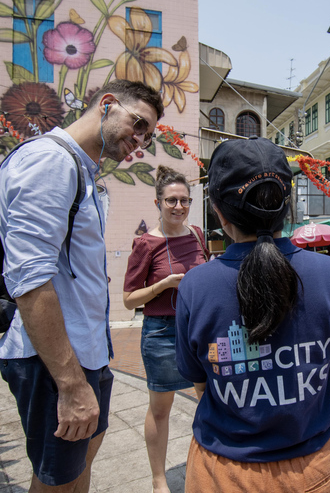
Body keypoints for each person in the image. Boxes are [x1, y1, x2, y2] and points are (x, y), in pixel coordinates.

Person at [0, 80, 163, 492]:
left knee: (78, 470)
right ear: (107, 105)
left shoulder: (80, 169)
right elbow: (29, 280)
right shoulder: (49, 161)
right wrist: (70, 384)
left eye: (148, 135)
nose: (139, 140)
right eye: (138, 124)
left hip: (84, 354)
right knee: (57, 484)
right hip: (53, 362)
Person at [175, 137, 330, 492]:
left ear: (218, 211)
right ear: (287, 208)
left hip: (223, 472)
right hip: (315, 469)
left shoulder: (195, 285)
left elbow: (200, 381)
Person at [122, 165, 206, 493]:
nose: (178, 207)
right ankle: (159, 480)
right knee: (161, 409)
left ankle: (209, 464)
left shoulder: (197, 234)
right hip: (161, 332)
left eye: (184, 200)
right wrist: (164, 284)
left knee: (210, 400)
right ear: (158, 202)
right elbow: (130, 300)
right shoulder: (146, 243)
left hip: (197, 329)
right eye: (171, 201)